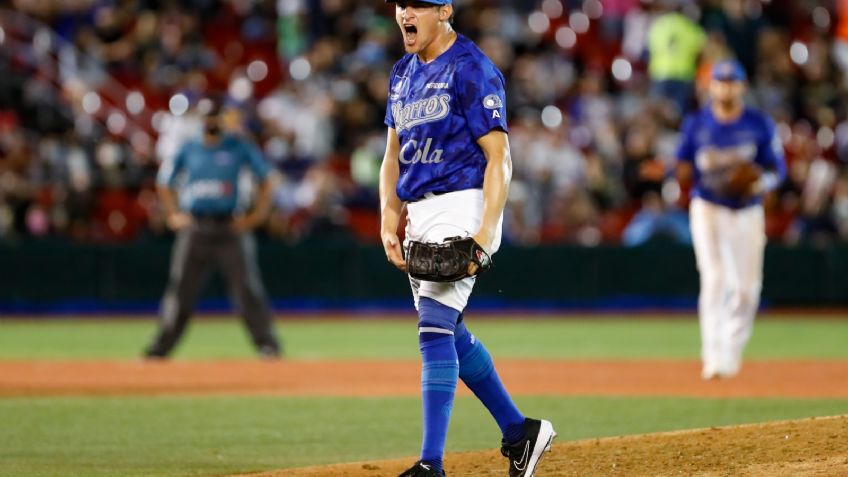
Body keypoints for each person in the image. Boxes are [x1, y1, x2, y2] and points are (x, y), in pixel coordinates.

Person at [379, 1, 555, 476]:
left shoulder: (472, 67)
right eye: (401, 5)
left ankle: (431, 464)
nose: (404, 13)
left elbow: (500, 156)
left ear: (444, 11)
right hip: (418, 212)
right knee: (449, 332)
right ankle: (521, 432)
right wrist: (387, 217)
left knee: (433, 327)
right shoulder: (401, 73)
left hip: (463, 203)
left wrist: (485, 230)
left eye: (417, 5)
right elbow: (393, 155)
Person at [144, 99, 282, 359]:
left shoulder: (239, 146)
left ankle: (267, 345)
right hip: (196, 226)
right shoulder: (189, 147)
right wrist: (173, 214)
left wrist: (256, 215)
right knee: (180, 289)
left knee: (247, 289)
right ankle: (160, 347)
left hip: (229, 226)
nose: (211, 122)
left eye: (216, 116)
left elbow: (268, 179)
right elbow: (164, 182)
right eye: (208, 116)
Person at [675, 59, 786, 380]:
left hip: (747, 207)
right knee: (714, 278)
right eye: (719, 81)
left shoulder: (758, 123)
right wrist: (675, 171)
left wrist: (760, 183)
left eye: (731, 81)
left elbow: (777, 170)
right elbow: (682, 165)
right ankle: (713, 355)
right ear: (711, 86)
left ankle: (732, 346)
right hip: (707, 205)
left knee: (747, 288)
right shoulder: (697, 123)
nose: (725, 87)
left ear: (742, 86)